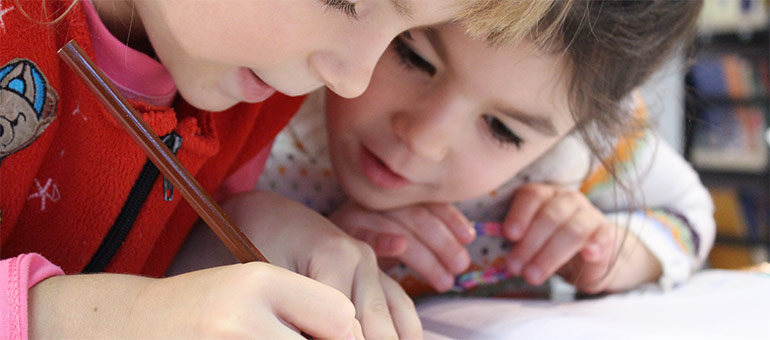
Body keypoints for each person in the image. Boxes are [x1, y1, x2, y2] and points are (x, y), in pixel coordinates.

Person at [0, 0, 560, 338]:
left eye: (397, 37)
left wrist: (235, 239)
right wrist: (97, 323)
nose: (351, 80)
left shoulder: (252, 86)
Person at [212, 0, 714, 297]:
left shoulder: (583, 153)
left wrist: (612, 253)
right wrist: (296, 248)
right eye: (412, 56)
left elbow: (691, 214)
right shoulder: (269, 93)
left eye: (501, 129)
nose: (424, 139)